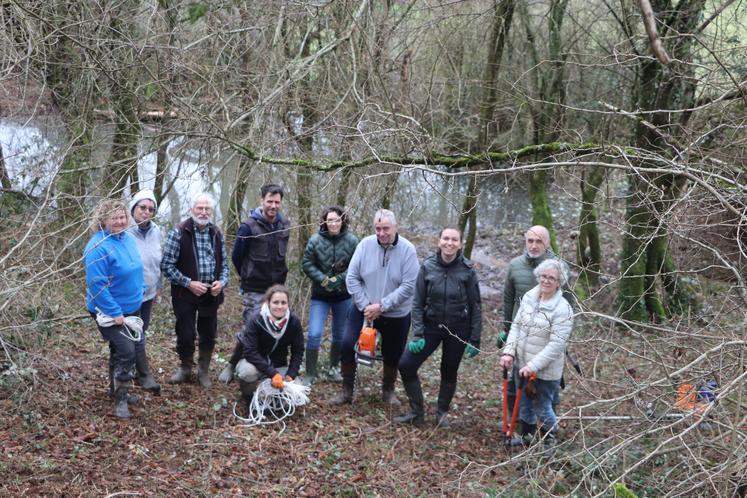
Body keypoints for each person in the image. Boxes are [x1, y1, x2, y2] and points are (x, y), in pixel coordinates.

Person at [329, 209, 419, 406]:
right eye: (377, 228)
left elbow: (410, 285)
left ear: (396, 227)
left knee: (393, 353)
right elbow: (352, 277)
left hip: (396, 313)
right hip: (364, 309)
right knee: (346, 344)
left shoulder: (408, 250)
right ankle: (347, 390)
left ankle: (388, 391)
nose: (381, 233)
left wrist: (383, 306)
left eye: (386, 228)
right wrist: (366, 305)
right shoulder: (365, 245)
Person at [394, 226, 482, 427]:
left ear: (460, 244)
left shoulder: (467, 271)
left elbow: (476, 305)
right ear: (439, 241)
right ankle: (417, 412)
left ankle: (442, 413)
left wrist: (474, 338)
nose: (449, 243)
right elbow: (417, 302)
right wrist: (417, 334)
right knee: (406, 364)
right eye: (445, 238)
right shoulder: (427, 266)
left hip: (458, 329)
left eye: (454, 239)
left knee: (449, 370)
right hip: (431, 325)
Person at [500, 225, 570, 439]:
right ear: (538, 277)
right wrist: (509, 350)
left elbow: (556, 343)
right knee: (525, 405)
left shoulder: (562, 308)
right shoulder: (529, 297)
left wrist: (533, 365)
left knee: (543, 405)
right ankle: (527, 436)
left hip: (544, 367)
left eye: (552, 278)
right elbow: (517, 324)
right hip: (523, 361)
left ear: (559, 282)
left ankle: (551, 437)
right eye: (544, 277)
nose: (547, 280)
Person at [219, 183, 290, 384]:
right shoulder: (248, 226)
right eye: (270, 201)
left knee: (276, 328)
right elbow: (237, 257)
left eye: (277, 202)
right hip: (254, 289)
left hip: (277, 289)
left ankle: (269, 365)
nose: (273, 206)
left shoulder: (284, 225)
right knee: (251, 329)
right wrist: (248, 275)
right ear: (262, 201)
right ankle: (233, 364)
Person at [161, 192, 229, 388]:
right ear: (192, 210)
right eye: (200, 208)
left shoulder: (216, 233)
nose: (204, 212)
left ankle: (203, 371)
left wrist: (222, 282)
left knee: (208, 333)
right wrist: (188, 282)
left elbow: (224, 265)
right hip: (185, 294)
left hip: (211, 293)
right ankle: (185, 368)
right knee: (185, 332)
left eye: (207, 208)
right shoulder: (179, 232)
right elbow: (166, 265)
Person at [84, 199, 144, 419]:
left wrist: (142, 291)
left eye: (122, 217)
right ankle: (120, 397)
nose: (119, 221)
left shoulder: (127, 239)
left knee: (120, 350)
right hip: (108, 310)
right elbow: (97, 285)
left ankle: (115, 389)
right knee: (127, 351)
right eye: (114, 218)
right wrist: (115, 312)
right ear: (103, 220)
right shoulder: (97, 247)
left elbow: (135, 269)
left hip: (132, 307)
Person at [301, 206, 359, 385]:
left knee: (340, 335)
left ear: (343, 221)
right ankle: (310, 372)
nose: (334, 223)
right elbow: (307, 264)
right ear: (325, 221)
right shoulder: (315, 240)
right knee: (314, 333)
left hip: (344, 296)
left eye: (337, 220)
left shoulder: (352, 241)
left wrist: (340, 279)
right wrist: (323, 279)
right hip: (320, 295)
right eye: (330, 220)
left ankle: (334, 368)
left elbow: (357, 265)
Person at [235, 285, 304, 408]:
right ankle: (249, 399)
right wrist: (272, 373)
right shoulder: (256, 319)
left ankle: (275, 401)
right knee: (247, 373)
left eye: (283, 302)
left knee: (296, 395)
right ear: (268, 302)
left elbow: (298, 350)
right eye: (275, 302)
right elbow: (249, 351)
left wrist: (291, 374)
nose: (279, 306)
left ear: (288, 304)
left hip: (278, 364)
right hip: (254, 363)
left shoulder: (293, 322)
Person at [127, 189, 162, 394]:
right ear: (134, 208)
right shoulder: (123, 231)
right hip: (128, 294)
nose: (146, 212)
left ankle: (132, 368)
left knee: (141, 331)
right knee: (135, 333)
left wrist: (158, 287)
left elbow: (158, 261)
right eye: (142, 207)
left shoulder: (157, 231)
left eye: (150, 209)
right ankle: (144, 374)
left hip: (149, 293)